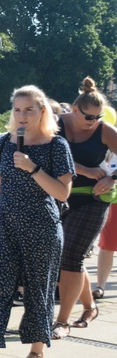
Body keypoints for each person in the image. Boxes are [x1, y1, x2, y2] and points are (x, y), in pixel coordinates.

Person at [0, 85, 74, 358]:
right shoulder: (4, 143)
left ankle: (36, 353)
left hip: (42, 227)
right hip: (4, 225)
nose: (22, 116)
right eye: (17, 110)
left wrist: (33, 168)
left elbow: (62, 194)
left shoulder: (56, 146)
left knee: (38, 290)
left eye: (29, 110)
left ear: (42, 112)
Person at [52, 77, 117, 338]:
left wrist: (112, 178)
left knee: (72, 255)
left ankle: (62, 321)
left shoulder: (104, 130)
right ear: (74, 110)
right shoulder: (57, 124)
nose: (94, 122)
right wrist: (86, 169)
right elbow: (50, 155)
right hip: (60, 196)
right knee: (64, 257)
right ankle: (90, 307)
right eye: (89, 117)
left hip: (92, 200)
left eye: (98, 116)